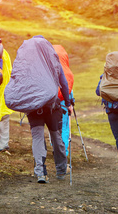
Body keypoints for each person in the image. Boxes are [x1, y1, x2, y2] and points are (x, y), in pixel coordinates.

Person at [24, 36, 73, 183]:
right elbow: (64, 83)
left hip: (34, 107)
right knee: (56, 137)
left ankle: (40, 172)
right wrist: (68, 102)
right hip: (52, 106)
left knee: (38, 138)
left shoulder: (27, 63)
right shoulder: (52, 60)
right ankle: (61, 169)